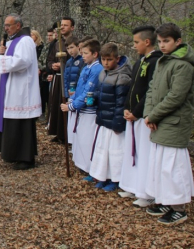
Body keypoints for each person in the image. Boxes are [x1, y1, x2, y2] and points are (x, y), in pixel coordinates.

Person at [143, 23, 194, 226]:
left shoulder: (183, 65)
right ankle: (165, 201)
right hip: (159, 120)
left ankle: (179, 207)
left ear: (177, 41)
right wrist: (148, 114)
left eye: (167, 41)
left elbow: (176, 97)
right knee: (159, 164)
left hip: (175, 122)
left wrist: (154, 115)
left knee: (174, 167)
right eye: (161, 42)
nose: (162, 45)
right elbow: (152, 89)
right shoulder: (163, 62)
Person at [0, 14, 41, 170]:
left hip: (21, 90)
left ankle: (25, 158)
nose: (6, 28)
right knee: (11, 122)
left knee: (21, 124)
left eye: (9, 25)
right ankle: (13, 154)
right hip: (11, 88)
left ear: (18, 26)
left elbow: (23, 61)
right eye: (5, 25)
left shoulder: (25, 40)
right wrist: (3, 54)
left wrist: (0, 59)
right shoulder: (13, 41)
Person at [119, 25, 162, 207]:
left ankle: (146, 192)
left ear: (147, 41)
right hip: (132, 115)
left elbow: (150, 90)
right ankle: (131, 184)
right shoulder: (139, 62)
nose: (134, 45)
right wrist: (127, 108)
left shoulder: (155, 62)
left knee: (143, 153)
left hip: (143, 115)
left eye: (136, 42)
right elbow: (132, 89)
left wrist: (137, 112)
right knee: (132, 151)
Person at [88, 43, 131, 192]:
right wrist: (93, 98)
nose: (105, 63)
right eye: (103, 59)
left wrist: (118, 123)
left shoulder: (122, 76)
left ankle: (116, 179)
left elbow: (121, 103)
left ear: (117, 59)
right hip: (104, 118)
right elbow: (101, 93)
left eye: (109, 60)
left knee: (116, 153)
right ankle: (103, 176)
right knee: (103, 150)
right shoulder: (103, 73)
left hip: (114, 120)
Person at [61, 39, 103, 175]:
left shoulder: (97, 69)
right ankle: (82, 164)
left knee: (87, 140)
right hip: (82, 109)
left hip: (90, 110)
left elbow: (87, 92)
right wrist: (71, 99)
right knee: (81, 138)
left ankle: (90, 167)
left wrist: (72, 106)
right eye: (82, 53)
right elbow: (79, 89)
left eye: (86, 53)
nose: (83, 56)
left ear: (95, 54)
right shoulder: (86, 68)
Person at [47, 17, 75, 143]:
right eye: (61, 25)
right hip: (57, 78)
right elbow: (49, 60)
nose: (63, 27)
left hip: (69, 78)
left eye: (66, 25)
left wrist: (63, 65)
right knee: (57, 105)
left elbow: (75, 60)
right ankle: (58, 133)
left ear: (72, 27)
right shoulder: (56, 43)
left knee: (66, 104)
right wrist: (52, 65)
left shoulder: (75, 42)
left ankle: (67, 135)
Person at [63, 36, 84, 144]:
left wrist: (76, 91)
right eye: (68, 48)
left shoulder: (81, 61)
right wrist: (66, 93)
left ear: (78, 46)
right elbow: (66, 78)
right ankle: (71, 140)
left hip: (78, 94)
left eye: (72, 47)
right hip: (70, 94)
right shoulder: (68, 62)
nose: (70, 51)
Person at [38, 28, 55, 117]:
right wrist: (41, 68)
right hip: (43, 74)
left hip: (50, 72)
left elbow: (50, 61)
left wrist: (45, 68)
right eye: (47, 35)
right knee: (43, 94)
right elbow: (40, 59)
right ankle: (43, 113)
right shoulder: (46, 46)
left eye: (50, 35)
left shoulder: (54, 46)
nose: (49, 37)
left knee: (50, 96)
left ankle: (50, 115)